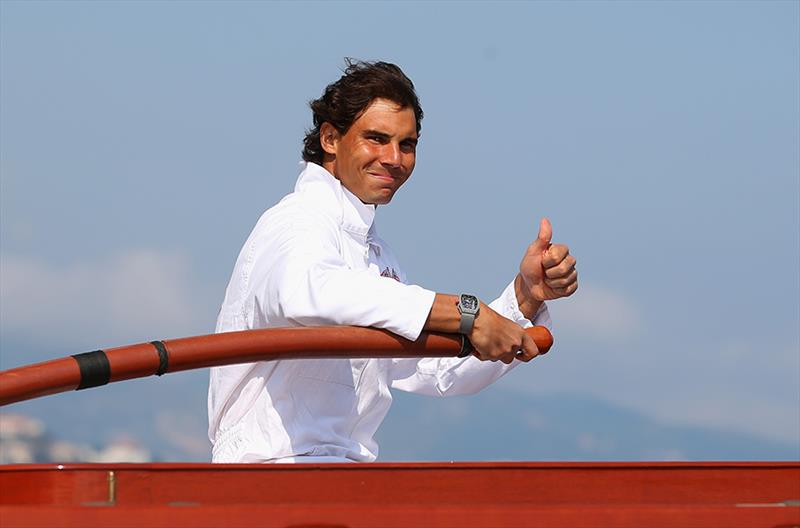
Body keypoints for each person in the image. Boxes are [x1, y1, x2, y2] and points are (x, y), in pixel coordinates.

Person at [208, 60, 578, 463]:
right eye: (376, 139)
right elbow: (306, 293)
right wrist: (465, 313)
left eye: (407, 144)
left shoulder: (377, 256)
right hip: (266, 478)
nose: (394, 158)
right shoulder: (295, 221)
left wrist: (524, 298)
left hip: (343, 477)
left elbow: (436, 372)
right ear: (330, 138)